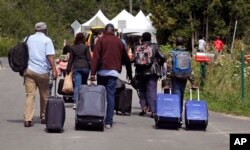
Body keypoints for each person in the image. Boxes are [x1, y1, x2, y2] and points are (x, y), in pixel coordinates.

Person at [90, 23, 132, 129]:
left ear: (105, 30)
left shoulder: (100, 40)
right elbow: (126, 59)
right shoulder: (119, 42)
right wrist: (129, 73)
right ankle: (109, 121)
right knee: (111, 96)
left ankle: (99, 117)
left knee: (101, 95)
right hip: (113, 72)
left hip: (101, 72)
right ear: (113, 31)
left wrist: (93, 73)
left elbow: (96, 57)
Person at [23, 22, 58, 127]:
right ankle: (44, 117)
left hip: (29, 71)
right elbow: (50, 56)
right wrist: (54, 69)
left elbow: (23, 53)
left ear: (35, 29)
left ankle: (28, 119)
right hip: (42, 72)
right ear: (45, 30)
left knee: (30, 95)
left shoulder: (27, 39)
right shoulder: (47, 40)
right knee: (44, 96)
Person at [165, 36, 197, 126]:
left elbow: (169, 68)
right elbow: (190, 69)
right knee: (181, 96)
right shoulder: (188, 54)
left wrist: (167, 83)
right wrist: (192, 82)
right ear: (183, 44)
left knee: (176, 97)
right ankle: (180, 118)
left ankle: (177, 118)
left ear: (176, 43)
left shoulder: (172, 53)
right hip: (185, 77)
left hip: (175, 77)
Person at [134, 32, 166, 118]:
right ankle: (153, 111)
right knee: (152, 90)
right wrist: (160, 63)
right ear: (150, 38)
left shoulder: (137, 47)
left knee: (142, 90)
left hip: (140, 72)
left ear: (142, 39)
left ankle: (144, 108)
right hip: (152, 71)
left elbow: (134, 59)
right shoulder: (154, 46)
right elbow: (163, 57)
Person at [66, 33, 91, 109]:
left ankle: (76, 103)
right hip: (86, 68)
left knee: (77, 86)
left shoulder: (73, 47)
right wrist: (93, 70)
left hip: (77, 68)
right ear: (83, 39)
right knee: (84, 85)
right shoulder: (86, 47)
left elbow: (70, 59)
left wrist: (68, 69)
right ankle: (83, 102)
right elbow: (89, 58)